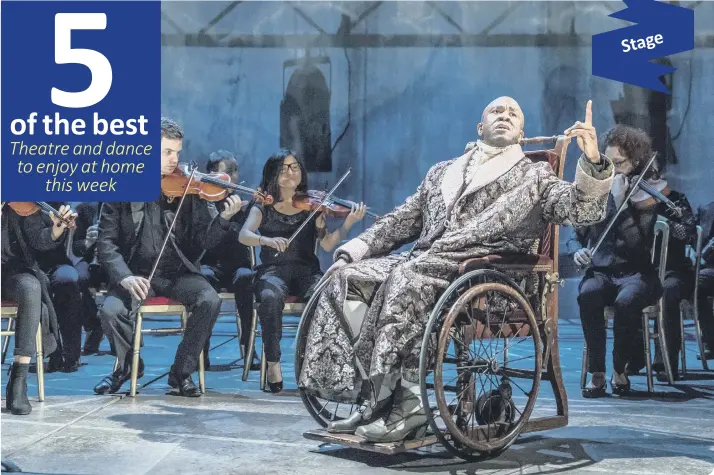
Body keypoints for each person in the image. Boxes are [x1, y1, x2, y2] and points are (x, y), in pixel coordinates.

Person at [298, 97, 613, 442]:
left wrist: (593, 161)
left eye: (513, 114)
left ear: (522, 132)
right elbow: (400, 221)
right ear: (480, 127)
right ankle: (371, 395)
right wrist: (351, 252)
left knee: (407, 277)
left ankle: (410, 404)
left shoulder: (535, 175)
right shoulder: (441, 172)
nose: (505, 116)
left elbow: (581, 211)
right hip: (427, 262)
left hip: (487, 275)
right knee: (348, 278)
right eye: (497, 111)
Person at [93, 117, 244, 397]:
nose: (175, 160)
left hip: (177, 274)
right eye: (166, 152)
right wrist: (124, 277)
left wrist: (224, 218)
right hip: (136, 274)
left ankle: (180, 372)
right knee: (110, 311)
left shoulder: (188, 188)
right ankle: (128, 366)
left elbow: (205, 241)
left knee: (209, 299)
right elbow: (106, 244)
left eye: (177, 153)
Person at [239, 150, 367, 393]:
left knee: (325, 297)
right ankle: (274, 364)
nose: (290, 172)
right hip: (273, 271)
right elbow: (244, 235)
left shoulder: (313, 206)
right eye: (284, 168)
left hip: (307, 271)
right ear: (273, 174)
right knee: (268, 298)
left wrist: (348, 223)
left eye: (295, 167)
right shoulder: (263, 204)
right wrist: (265, 240)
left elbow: (328, 244)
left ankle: (317, 366)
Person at [572, 125, 670, 397]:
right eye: (608, 163)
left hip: (637, 273)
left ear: (635, 162)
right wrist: (576, 251)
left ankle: (620, 370)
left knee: (627, 301)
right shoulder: (596, 190)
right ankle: (598, 372)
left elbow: (639, 245)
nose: (612, 169)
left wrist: (622, 204)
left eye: (619, 163)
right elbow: (576, 232)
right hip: (602, 272)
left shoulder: (644, 195)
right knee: (588, 293)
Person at [2, 203, 73, 414]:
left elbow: (38, 239)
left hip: (10, 273)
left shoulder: (19, 204)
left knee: (31, 286)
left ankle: (18, 379)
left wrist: (56, 230)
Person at [199, 150, 259, 370]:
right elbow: (208, 241)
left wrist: (251, 211)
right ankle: (201, 349)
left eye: (235, 171)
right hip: (209, 266)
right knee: (203, 278)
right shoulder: (201, 201)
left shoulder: (246, 204)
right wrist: (224, 217)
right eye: (228, 172)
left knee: (247, 277)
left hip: (238, 266)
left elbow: (246, 239)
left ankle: (249, 349)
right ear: (212, 174)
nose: (234, 177)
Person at [24, 202, 84, 372]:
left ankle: (72, 355)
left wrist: (66, 227)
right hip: (25, 266)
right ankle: (53, 353)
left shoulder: (54, 196)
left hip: (55, 262)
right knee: (38, 286)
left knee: (68, 279)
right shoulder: (14, 205)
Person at [71, 201, 106, 354]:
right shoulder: (85, 208)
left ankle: (121, 336)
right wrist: (88, 242)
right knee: (77, 278)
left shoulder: (124, 206)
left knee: (120, 280)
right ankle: (93, 323)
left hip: (119, 262)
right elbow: (76, 247)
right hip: (92, 261)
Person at [696, 200, 714, 360]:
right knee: (697, 284)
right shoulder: (706, 208)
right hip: (709, 267)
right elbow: (692, 239)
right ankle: (710, 341)